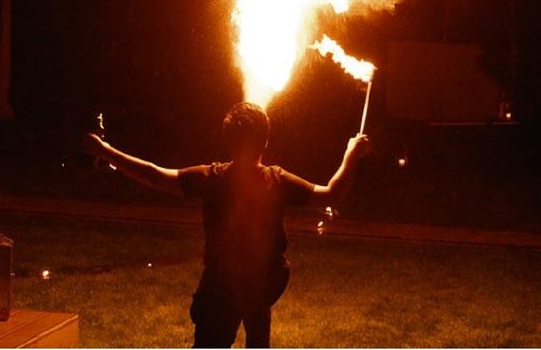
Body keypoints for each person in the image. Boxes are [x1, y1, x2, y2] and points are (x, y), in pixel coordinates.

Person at [82, 102, 369, 348]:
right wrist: (351, 154)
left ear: (229, 140)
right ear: (265, 141)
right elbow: (333, 194)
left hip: (226, 284)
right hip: (261, 281)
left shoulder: (214, 178)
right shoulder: (276, 181)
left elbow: (155, 175)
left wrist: (106, 152)